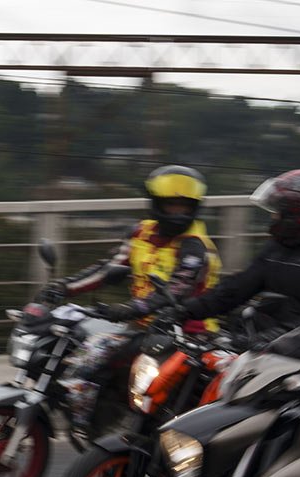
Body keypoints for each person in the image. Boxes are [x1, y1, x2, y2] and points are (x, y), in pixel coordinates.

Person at [49, 165, 221, 436]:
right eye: (171, 207)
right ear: (155, 204)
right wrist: (64, 288)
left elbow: (177, 289)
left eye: (184, 208)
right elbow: (108, 268)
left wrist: (129, 309)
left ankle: (93, 429)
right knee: (75, 339)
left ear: (195, 208)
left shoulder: (194, 246)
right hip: (145, 328)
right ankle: (99, 423)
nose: (178, 214)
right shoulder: (140, 233)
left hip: (188, 334)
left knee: (97, 353)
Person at [181, 168, 300, 360]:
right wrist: (186, 310)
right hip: (266, 346)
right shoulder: (282, 244)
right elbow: (239, 286)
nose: (273, 217)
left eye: (279, 211)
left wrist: (274, 338)